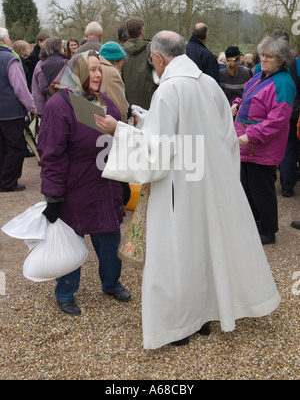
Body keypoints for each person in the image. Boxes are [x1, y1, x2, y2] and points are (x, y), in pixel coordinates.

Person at [94, 30, 280, 350]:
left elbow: (157, 150)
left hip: (177, 186)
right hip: (205, 180)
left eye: (153, 60)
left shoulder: (168, 91)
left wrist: (119, 129)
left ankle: (178, 326)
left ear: (158, 58)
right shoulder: (208, 83)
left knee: (176, 252)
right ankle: (206, 315)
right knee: (205, 248)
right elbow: (218, 135)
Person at [37, 51, 130, 316]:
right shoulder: (60, 106)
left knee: (111, 242)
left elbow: (117, 142)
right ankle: (65, 292)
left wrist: (123, 179)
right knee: (70, 245)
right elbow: (51, 154)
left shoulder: (106, 104)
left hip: (105, 187)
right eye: (91, 69)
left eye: (99, 68)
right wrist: (53, 196)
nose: (98, 74)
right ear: (77, 73)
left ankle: (111, 284)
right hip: (74, 191)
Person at [231, 35, 296, 245]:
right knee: (248, 187)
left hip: (261, 147)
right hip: (247, 146)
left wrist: (251, 135)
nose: (264, 60)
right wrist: (236, 103)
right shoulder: (261, 75)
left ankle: (268, 230)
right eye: (263, 56)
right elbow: (247, 95)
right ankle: (254, 223)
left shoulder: (284, 83)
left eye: (269, 57)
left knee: (263, 190)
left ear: (282, 59)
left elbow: (278, 120)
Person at [254, 30, 300, 198]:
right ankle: (287, 185)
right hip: (292, 112)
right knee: (289, 150)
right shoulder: (297, 64)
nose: (264, 59)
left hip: (271, 116)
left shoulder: (263, 68)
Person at [0, 28, 37, 192]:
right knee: (16, 147)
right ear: (4, 39)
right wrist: (31, 107)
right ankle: (8, 182)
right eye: (8, 38)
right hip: (10, 112)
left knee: (2, 147)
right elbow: (20, 88)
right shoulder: (10, 58)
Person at [122, 17, 158, 110]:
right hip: (150, 102)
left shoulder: (121, 52)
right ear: (142, 31)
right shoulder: (151, 49)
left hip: (129, 103)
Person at [31, 37, 68, 116]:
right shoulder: (61, 62)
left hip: (49, 100)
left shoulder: (45, 63)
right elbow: (43, 87)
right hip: (56, 101)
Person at [99, 41, 129, 123]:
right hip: (109, 123)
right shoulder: (111, 72)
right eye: (122, 62)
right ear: (115, 61)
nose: (122, 67)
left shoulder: (97, 66)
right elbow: (121, 107)